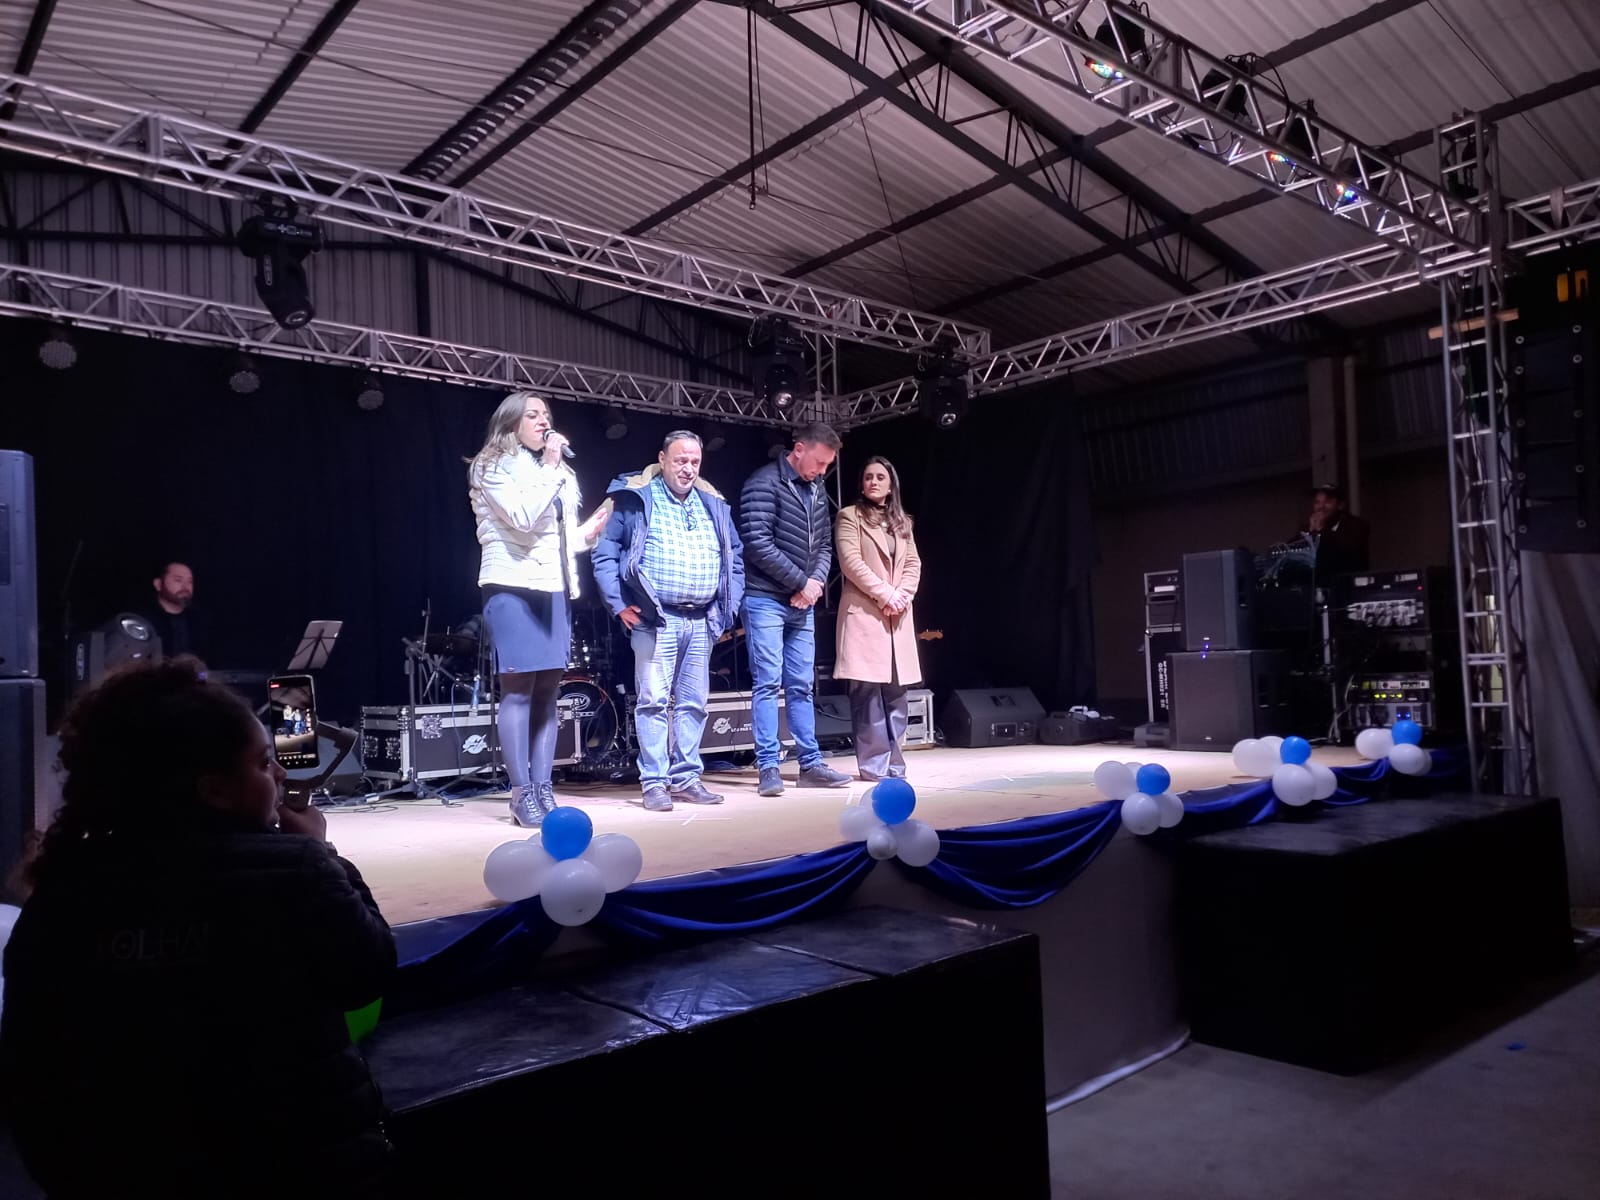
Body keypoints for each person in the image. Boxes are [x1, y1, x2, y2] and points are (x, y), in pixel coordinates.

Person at [0, 659, 396, 1199]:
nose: (280, 775)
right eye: (263, 763)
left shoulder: (63, 893)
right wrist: (323, 853)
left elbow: (32, 1066)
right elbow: (367, 972)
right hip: (298, 1169)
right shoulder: (297, 871)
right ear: (214, 789)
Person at [469, 392, 608, 828]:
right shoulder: (491, 466)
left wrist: (587, 534)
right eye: (532, 415)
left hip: (552, 587)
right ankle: (521, 793)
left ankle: (545, 788)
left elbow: (554, 538)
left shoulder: (556, 472)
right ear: (510, 422)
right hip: (511, 586)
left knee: (549, 691)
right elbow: (523, 518)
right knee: (518, 690)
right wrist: (550, 465)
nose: (543, 421)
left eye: (546, 414)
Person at [593, 432, 744, 812]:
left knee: (694, 704)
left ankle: (687, 778)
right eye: (680, 460)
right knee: (653, 703)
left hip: (701, 619)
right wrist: (617, 604)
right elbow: (605, 553)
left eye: (694, 462)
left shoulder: (713, 502)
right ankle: (655, 783)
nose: (688, 469)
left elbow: (735, 558)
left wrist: (727, 609)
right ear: (662, 459)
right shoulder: (634, 497)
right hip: (655, 619)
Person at [737, 422, 852, 796]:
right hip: (765, 599)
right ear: (799, 449)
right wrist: (801, 583)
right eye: (819, 462)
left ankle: (811, 764)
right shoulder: (763, 483)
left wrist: (814, 584)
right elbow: (756, 543)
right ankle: (768, 767)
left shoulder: (816, 489)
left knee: (802, 685)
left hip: (802, 603)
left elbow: (824, 547)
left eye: (828, 465)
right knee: (768, 683)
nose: (822, 470)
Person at [834, 457, 923, 782]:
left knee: (897, 696)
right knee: (868, 695)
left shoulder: (903, 522)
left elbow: (913, 563)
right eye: (868, 477)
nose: (873, 482)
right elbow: (851, 563)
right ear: (862, 484)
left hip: (896, 618)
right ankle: (874, 767)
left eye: (880, 477)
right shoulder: (849, 516)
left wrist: (903, 595)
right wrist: (886, 595)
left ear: (890, 484)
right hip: (866, 615)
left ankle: (895, 764)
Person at [139, 559, 207, 660]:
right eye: (178, 580)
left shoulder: (201, 619)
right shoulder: (142, 620)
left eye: (190, 582)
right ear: (158, 584)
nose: (185, 587)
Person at [1305, 483, 1371, 577]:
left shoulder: (1357, 525)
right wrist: (1310, 534)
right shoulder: (1309, 526)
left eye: (1327, 502)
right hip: (1319, 583)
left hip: (1348, 582)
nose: (1321, 507)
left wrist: (1321, 530)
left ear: (1340, 505)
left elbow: (1347, 550)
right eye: (1317, 502)